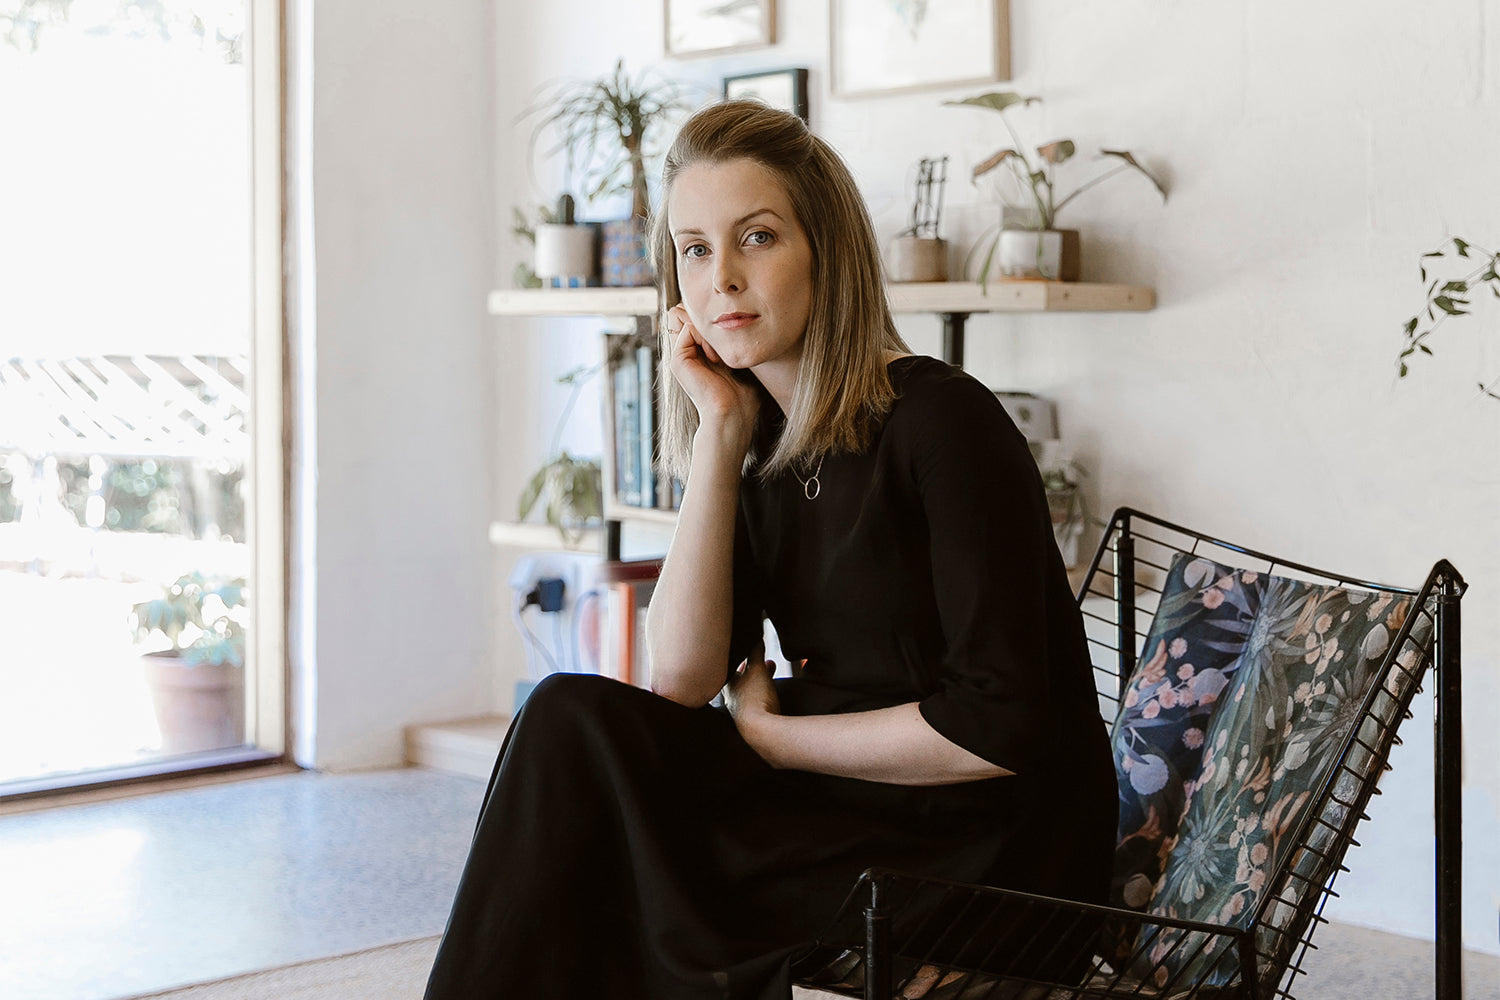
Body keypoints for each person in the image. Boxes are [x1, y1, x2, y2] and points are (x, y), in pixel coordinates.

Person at [423, 100, 1116, 1000]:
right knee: (570, 724)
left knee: (623, 856)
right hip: (842, 807)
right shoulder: (759, 441)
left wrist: (775, 743)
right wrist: (717, 430)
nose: (722, 281)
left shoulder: (945, 421)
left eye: (756, 238)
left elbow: (999, 730)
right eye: (695, 250)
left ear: (825, 250)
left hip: (986, 850)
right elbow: (679, 676)